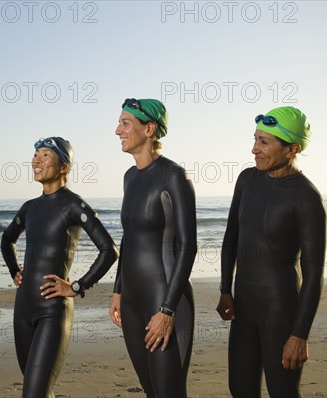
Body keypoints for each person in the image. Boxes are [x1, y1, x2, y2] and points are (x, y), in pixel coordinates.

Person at [216, 106, 326, 397]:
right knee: (240, 389)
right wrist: (225, 289)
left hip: (282, 311)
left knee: (283, 391)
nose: (254, 149)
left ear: (292, 149)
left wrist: (299, 335)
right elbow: (231, 237)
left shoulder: (306, 197)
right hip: (244, 308)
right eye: (255, 139)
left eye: (265, 142)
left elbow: (314, 276)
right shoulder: (247, 180)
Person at [1, 136, 118, 398]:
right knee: (38, 389)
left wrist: (77, 286)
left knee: (34, 393)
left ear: (64, 166)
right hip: (23, 310)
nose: (37, 161)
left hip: (52, 312)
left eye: (45, 155)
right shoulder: (29, 207)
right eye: (35, 155)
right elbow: (7, 239)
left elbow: (109, 250)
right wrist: (14, 270)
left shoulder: (74, 205)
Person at [109, 98, 197, 397]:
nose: (117, 130)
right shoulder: (129, 177)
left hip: (165, 299)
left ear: (149, 129)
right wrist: (118, 290)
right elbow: (128, 237)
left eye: (125, 123)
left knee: (169, 392)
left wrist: (167, 310)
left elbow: (188, 246)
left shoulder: (173, 176)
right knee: (151, 391)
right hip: (132, 302)